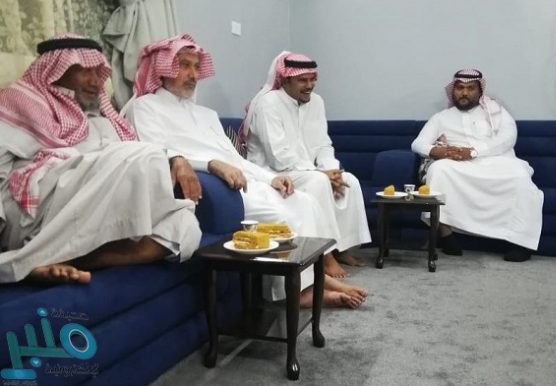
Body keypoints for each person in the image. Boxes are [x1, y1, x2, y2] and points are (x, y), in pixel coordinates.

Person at [124, 35, 367, 308]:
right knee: (282, 217)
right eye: (184, 66)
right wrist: (211, 165)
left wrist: (271, 178)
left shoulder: (205, 114)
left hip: (245, 180)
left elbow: (234, 158)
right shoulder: (145, 107)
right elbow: (158, 154)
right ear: (162, 68)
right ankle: (297, 292)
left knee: (305, 202)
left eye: (196, 67)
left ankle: (313, 279)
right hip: (219, 187)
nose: (193, 75)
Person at [0, 34, 202, 284]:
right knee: (146, 155)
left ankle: (78, 258)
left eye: (99, 72)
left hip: (95, 207)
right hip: (37, 207)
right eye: (85, 70)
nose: (96, 81)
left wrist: (173, 159)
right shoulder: (20, 102)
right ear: (56, 69)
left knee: (185, 225)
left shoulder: (103, 119)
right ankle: (31, 257)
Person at [241, 51, 372, 273]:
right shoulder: (268, 103)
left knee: (349, 180)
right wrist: (321, 174)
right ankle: (325, 255)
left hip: (304, 170)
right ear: (285, 79)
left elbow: (323, 144)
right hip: (273, 172)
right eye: (302, 80)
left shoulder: (317, 102)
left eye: (313, 79)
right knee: (318, 182)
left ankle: (342, 248)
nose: (309, 85)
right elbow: (278, 155)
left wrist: (332, 170)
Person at [411, 68, 544, 262]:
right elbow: (418, 143)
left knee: (520, 175)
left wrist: (474, 151)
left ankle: (520, 242)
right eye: (460, 88)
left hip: (497, 162)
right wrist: (437, 151)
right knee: (438, 170)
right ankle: (446, 236)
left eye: (470, 88)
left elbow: (508, 138)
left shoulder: (496, 111)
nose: (464, 93)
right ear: (453, 90)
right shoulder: (441, 117)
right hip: (460, 165)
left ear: (480, 91)